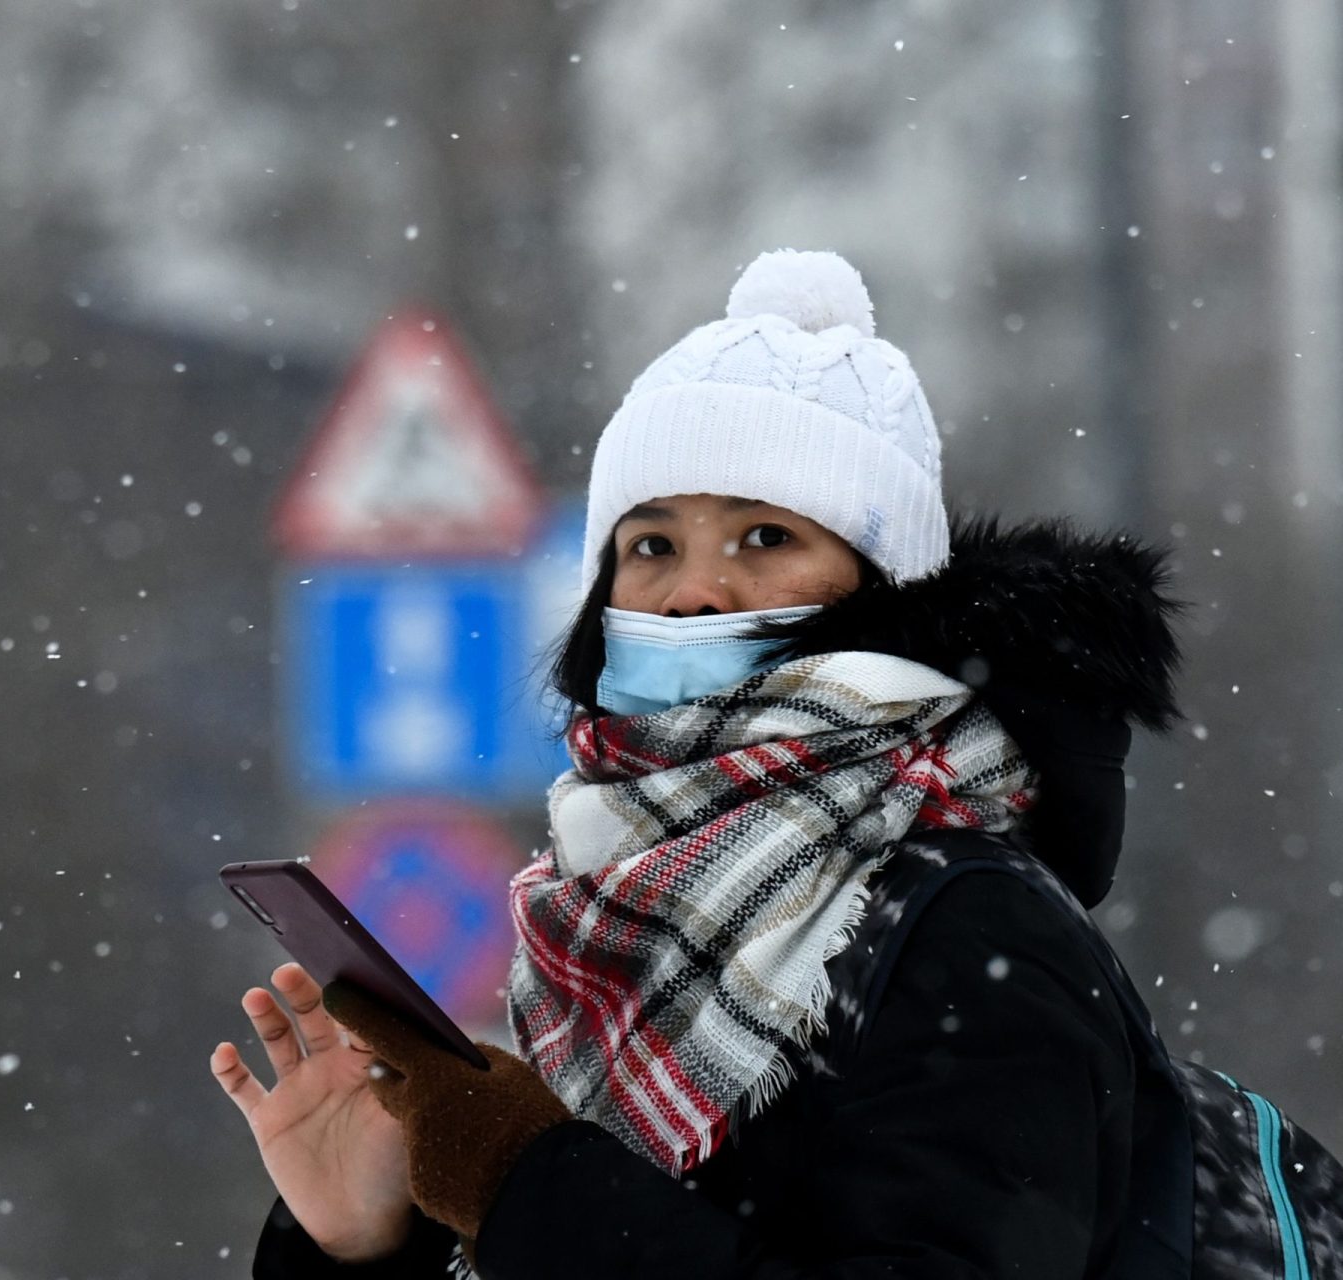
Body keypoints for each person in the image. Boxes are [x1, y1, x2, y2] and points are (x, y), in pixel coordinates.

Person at [211, 249, 1183, 1278]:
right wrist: (371, 1244)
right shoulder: (587, 912)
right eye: (653, 546)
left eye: (765, 537)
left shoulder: (970, 926)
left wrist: (526, 1181)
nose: (694, 594)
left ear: (886, 587)